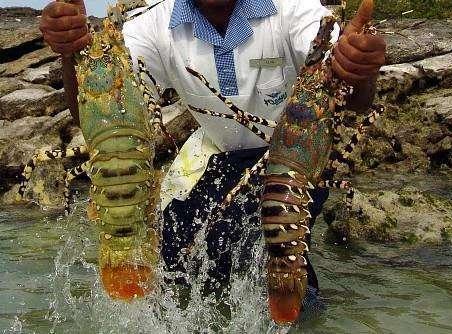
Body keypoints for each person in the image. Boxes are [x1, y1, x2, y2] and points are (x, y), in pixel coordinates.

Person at [39, 0, 385, 317]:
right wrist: (73, 52)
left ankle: (299, 300)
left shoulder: (294, 10)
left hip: (292, 161)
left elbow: (350, 95)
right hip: (217, 152)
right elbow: (104, 107)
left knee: (254, 246)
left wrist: (358, 65)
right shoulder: (151, 26)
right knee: (173, 259)